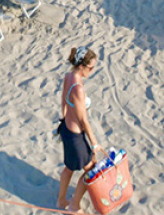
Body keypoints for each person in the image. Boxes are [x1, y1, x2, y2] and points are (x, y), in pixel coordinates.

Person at [57, 46, 104, 213]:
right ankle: (74, 205)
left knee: (69, 168)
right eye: (91, 67)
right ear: (82, 67)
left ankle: (61, 201)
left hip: (66, 130)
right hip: (76, 136)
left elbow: (63, 100)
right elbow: (83, 120)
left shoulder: (69, 76)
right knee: (91, 171)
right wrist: (94, 143)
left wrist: (63, 119)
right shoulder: (78, 88)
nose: (92, 70)